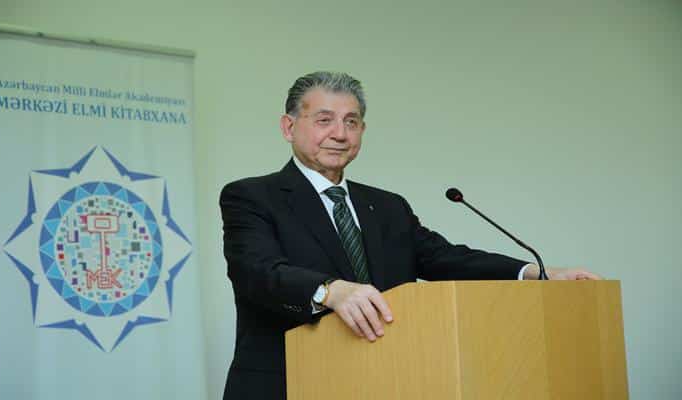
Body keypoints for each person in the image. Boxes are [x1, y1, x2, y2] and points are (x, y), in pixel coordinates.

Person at [219, 71, 600, 400]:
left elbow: (444, 258)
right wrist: (330, 291)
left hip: (387, 379)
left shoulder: (386, 206)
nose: (339, 134)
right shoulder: (251, 196)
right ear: (289, 127)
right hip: (287, 384)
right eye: (324, 120)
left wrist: (538, 273)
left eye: (352, 122)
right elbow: (257, 271)